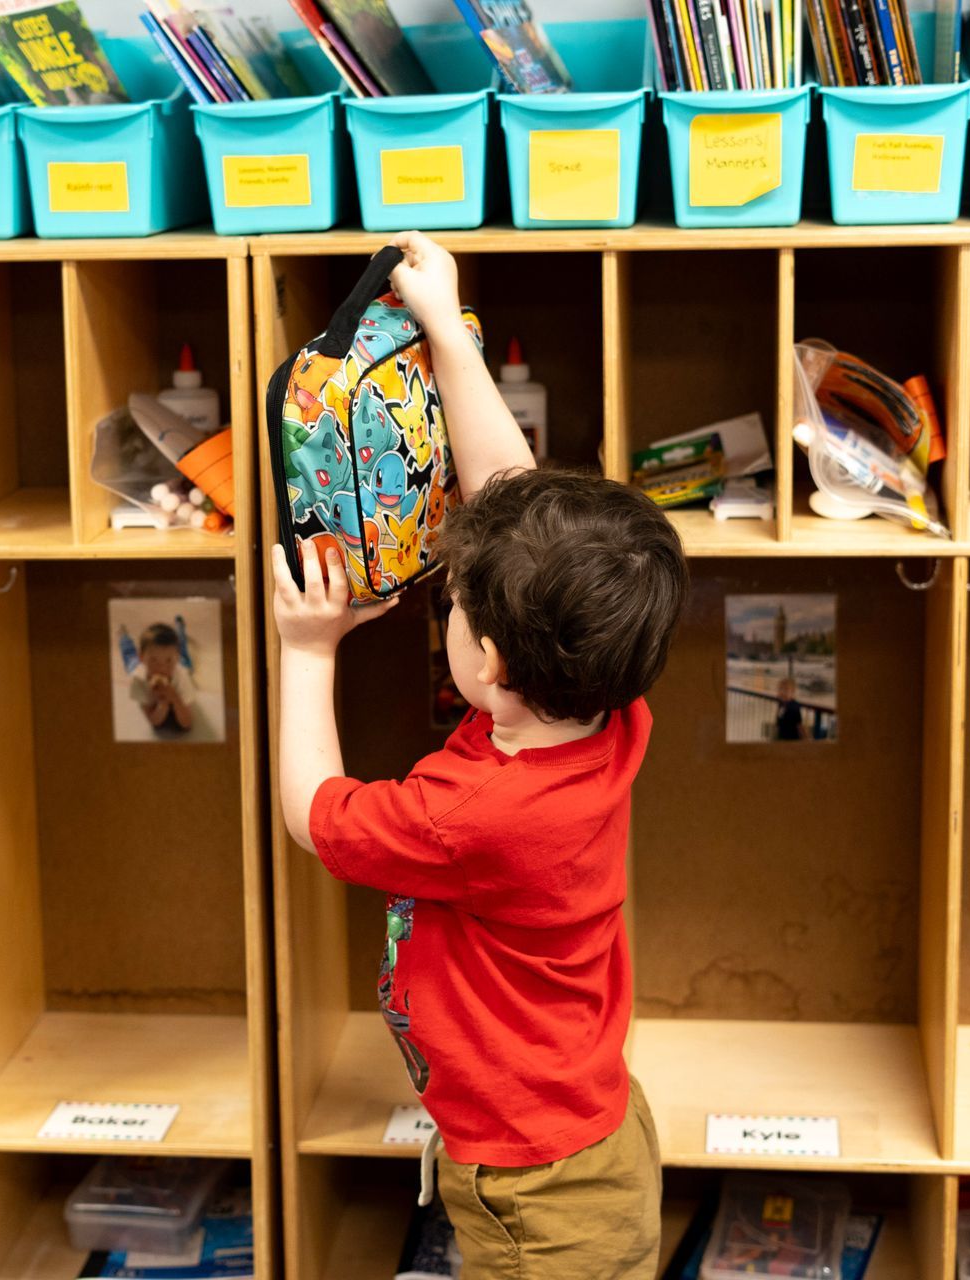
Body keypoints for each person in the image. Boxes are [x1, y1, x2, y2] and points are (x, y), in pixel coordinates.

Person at [271, 231, 688, 1279]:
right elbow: (509, 492)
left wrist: (307, 651)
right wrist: (449, 332)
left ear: (492, 657)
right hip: (585, 1134)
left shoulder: (475, 806)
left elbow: (316, 811)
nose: (441, 598)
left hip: (532, 1188)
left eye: (452, 601)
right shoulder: (605, 707)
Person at [128, 622, 196, 737]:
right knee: (129, 659)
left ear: (176, 658)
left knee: (186, 657)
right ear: (142, 657)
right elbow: (154, 722)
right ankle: (124, 638)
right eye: (153, 660)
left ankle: (180, 629)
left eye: (168, 661)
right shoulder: (138, 679)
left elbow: (187, 724)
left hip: (181, 663)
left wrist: (174, 697)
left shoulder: (182, 676)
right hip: (136, 664)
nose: (162, 668)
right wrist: (163, 702)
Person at [774, 676, 804, 741]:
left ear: (792, 692)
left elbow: (799, 725)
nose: (782, 692)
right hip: (781, 738)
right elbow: (778, 721)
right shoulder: (781, 704)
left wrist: (805, 740)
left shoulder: (794, 706)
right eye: (780, 689)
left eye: (786, 689)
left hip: (792, 740)